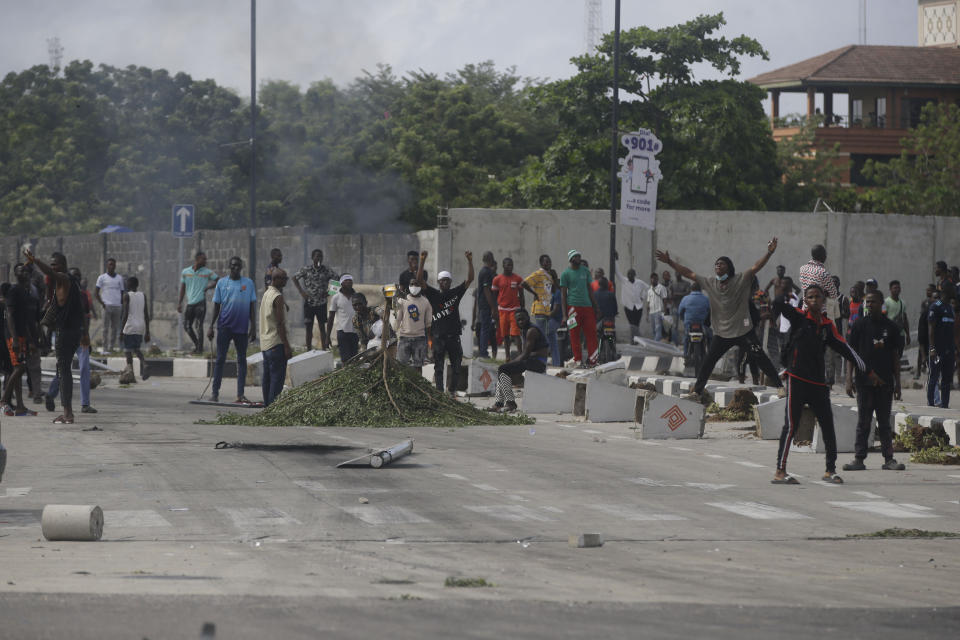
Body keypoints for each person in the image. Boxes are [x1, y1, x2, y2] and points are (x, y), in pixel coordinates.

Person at [770, 282, 877, 485]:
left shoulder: (827, 326)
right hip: (797, 380)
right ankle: (780, 471)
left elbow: (846, 349)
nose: (814, 300)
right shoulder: (798, 317)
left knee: (828, 426)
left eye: (817, 297)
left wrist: (868, 370)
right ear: (805, 301)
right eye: (809, 297)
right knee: (791, 425)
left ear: (824, 301)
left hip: (818, 384)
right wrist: (783, 292)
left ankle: (830, 470)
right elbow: (776, 305)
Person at [656, 238, 785, 399]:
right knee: (708, 362)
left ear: (729, 268)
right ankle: (697, 391)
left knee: (761, 357)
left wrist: (769, 253)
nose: (718, 265)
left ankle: (780, 387)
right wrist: (670, 262)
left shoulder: (741, 278)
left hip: (743, 331)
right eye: (716, 264)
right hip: (722, 333)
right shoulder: (710, 282)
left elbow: (756, 267)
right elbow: (689, 273)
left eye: (722, 263)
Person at [843, 291, 905, 472]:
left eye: (873, 302)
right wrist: (849, 379)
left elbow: (895, 357)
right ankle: (859, 459)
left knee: (884, 423)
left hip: (885, 383)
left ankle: (889, 459)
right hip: (864, 382)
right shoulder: (859, 325)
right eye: (867, 302)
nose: (869, 305)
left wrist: (898, 383)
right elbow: (851, 354)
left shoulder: (890, 327)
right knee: (864, 421)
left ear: (881, 303)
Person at [24, 249, 87, 424]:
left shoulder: (65, 279)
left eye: (55, 264)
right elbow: (65, 309)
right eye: (51, 264)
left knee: (63, 371)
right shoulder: (68, 283)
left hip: (66, 333)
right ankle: (67, 412)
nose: (53, 267)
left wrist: (35, 260)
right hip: (71, 331)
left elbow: (50, 273)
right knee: (63, 370)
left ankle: (68, 414)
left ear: (63, 265)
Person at [417, 250, 474, 395]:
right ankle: (439, 393)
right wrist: (422, 260)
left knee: (456, 367)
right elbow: (419, 281)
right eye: (442, 280)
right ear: (438, 282)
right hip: (438, 337)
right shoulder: (433, 294)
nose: (445, 282)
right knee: (439, 367)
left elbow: (470, 279)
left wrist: (469, 261)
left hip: (454, 336)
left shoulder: (456, 293)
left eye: (447, 280)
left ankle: (452, 391)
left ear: (450, 282)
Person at [45, 267, 97, 415]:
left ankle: (85, 404)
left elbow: (85, 316)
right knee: (63, 369)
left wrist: (86, 336)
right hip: (66, 336)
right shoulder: (61, 295)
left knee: (84, 368)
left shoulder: (83, 296)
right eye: (74, 277)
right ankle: (51, 394)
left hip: (80, 337)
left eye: (78, 277)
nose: (76, 280)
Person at [207, 256, 257, 404]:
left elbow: (252, 307)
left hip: (241, 329)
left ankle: (240, 394)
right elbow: (216, 306)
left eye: (238, 266)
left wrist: (253, 327)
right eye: (233, 266)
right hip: (224, 327)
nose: (235, 268)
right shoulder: (222, 283)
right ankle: (215, 393)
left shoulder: (248, 283)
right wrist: (211, 325)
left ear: (241, 268)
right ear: (229, 266)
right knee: (220, 359)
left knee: (241, 360)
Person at [487, 309, 550, 413]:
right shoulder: (525, 330)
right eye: (518, 320)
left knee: (503, 368)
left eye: (523, 319)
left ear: (528, 318)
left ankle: (510, 403)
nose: (521, 321)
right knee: (503, 371)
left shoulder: (531, 331)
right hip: (532, 360)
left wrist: (510, 363)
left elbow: (525, 354)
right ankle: (499, 403)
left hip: (538, 363)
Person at [1, 264, 39, 416]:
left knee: (17, 369)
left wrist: (30, 340)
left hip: (22, 336)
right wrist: (15, 338)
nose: (25, 272)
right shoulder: (14, 290)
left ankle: (21, 406)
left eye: (26, 270)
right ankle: (4, 400)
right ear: (16, 274)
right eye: (21, 270)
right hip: (13, 336)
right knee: (19, 368)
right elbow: (9, 315)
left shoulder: (25, 292)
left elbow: (25, 319)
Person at [292, 249, 338, 351]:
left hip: (321, 303)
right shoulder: (306, 269)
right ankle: (308, 349)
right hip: (309, 303)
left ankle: (324, 349)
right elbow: (294, 278)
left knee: (322, 327)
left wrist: (329, 292)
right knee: (309, 327)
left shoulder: (326, 270)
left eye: (320, 256)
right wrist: (301, 292)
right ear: (312, 258)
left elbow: (337, 279)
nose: (319, 258)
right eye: (317, 256)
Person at [560, 250, 599, 368]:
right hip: (572, 308)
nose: (579, 258)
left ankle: (593, 361)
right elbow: (563, 295)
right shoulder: (565, 274)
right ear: (571, 259)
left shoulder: (585, 271)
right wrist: (564, 314)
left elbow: (590, 290)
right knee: (574, 334)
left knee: (592, 334)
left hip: (587, 307)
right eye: (576, 256)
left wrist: (596, 306)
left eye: (579, 256)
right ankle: (577, 360)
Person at [259, 268, 291, 407]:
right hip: (276, 343)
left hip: (265, 343)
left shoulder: (267, 293)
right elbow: (279, 323)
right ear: (276, 279)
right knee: (276, 380)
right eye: (284, 279)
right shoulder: (278, 296)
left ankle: (267, 406)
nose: (285, 282)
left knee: (267, 378)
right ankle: (272, 408)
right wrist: (286, 345)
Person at [177, 252, 218, 353]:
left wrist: (208, 287)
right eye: (203, 259)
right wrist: (180, 303)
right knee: (187, 326)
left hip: (200, 303)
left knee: (199, 326)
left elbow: (218, 280)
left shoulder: (207, 272)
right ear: (197, 259)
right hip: (190, 303)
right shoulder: (185, 272)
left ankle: (199, 350)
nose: (205, 261)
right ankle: (197, 345)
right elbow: (183, 287)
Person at [394, 279, 432, 371]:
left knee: (418, 367)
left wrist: (429, 341)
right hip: (404, 338)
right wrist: (394, 334)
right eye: (412, 284)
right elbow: (398, 319)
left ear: (420, 286)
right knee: (401, 366)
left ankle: (418, 385)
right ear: (409, 286)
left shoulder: (426, 302)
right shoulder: (402, 300)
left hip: (420, 339)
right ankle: (403, 385)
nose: (414, 286)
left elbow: (428, 323)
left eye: (416, 284)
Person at [927, 290, 956, 408]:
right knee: (934, 376)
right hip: (937, 350)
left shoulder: (950, 308)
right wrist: (932, 348)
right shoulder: (936, 307)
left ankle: (945, 404)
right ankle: (931, 403)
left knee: (947, 378)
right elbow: (931, 329)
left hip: (949, 350)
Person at [492, 257, 524, 360]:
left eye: (511, 264)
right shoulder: (497, 279)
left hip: (515, 311)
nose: (510, 267)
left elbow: (522, 295)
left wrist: (523, 309)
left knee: (516, 334)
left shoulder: (518, 279)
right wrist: (494, 310)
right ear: (503, 265)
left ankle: (521, 356)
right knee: (505, 335)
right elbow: (494, 296)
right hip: (502, 310)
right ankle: (507, 357)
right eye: (508, 265)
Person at [120, 276, 151, 381]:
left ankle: (130, 374)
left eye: (127, 283)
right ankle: (144, 363)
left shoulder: (126, 296)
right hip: (140, 326)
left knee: (128, 352)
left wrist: (121, 331)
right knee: (136, 349)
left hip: (129, 326)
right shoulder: (143, 295)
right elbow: (146, 314)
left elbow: (125, 314)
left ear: (129, 285)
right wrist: (147, 332)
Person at [523, 254, 555, 353]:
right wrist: (534, 293)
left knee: (547, 334)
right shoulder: (538, 274)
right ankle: (540, 355)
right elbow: (524, 283)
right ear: (541, 263)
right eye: (546, 261)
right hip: (540, 309)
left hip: (547, 309)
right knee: (542, 335)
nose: (548, 263)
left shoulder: (549, 275)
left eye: (549, 261)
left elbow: (552, 290)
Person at [614, 257, 650, 342]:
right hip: (628, 306)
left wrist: (642, 296)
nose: (629, 276)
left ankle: (636, 339)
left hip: (638, 306)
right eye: (628, 274)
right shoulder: (624, 281)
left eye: (631, 274)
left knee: (636, 324)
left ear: (634, 275)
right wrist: (615, 260)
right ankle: (634, 339)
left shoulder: (639, 282)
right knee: (632, 324)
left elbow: (647, 288)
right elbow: (617, 272)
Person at [326, 274, 359, 364]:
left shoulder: (357, 296)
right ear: (341, 283)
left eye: (350, 280)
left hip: (355, 332)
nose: (348, 282)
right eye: (346, 280)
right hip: (342, 332)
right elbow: (331, 317)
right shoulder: (336, 297)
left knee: (355, 358)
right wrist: (327, 336)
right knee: (345, 359)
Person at [95, 257, 124, 352]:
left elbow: (122, 292)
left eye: (113, 264)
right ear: (107, 266)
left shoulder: (120, 278)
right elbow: (96, 293)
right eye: (110, 264)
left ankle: (111, 347)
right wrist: (102, 303)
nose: (112, 266)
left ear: (115, 266)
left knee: (115, 328)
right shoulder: (102, 278)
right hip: (106, 305)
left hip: (117, 306)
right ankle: (105, 347)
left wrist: (121, 304)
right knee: (105, 328)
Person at [825, 275, 848, 386]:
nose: (833, 284)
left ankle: (839, 378)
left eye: (835, 282)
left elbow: (845, 315)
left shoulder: (843, 298)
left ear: (838, 284)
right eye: (832, 282)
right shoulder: (826, 298)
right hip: (828, 331)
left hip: (837, 331)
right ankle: (830, 380)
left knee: (838, 356)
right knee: (828, 357)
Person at [677, 281, 710, 359]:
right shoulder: (706, 299)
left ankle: (685, 354)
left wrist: (683, 318)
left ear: (691, 289)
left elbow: (680, 311)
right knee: (709, 336)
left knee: (686, 337)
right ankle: (710, 354)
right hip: (702, 323)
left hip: (689, 323)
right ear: (701, 290)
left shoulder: (685, 298)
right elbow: (710, 311)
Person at [475, 251, 497, 359]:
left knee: (485, 328)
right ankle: (483, 353)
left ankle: (483, 351)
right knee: (485, 328)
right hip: (486, 305)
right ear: (491, 259)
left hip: (483, 304)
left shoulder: (483, 271)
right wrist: (493, 307)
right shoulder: (487, 272)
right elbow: (487, 290)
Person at [914, 284, 936, 380]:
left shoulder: (936, 303)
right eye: (927, 290)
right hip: (925, 328)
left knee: (933, 350)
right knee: (921, 351)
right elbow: (923, 314)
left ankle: (933, 371)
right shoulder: (925, 303)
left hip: (933, 330)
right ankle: (918, 371)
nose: (928, 292)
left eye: (929, 290)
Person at [884, 280, 910, 354]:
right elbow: (883, 318)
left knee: (899, 354)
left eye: (898, 288)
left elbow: (905, 319)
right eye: (895, 288)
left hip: (900, 334)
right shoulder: (886, 302)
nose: (897, 289)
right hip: (890, 334)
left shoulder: (903, 302)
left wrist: (907, 334)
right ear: (890, 289)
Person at [546, 270, 564, 366]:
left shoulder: (557, 293)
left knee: (543, 337)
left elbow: (556, 309)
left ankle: (543, 360)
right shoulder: (547, 290)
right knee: (553, 343)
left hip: (555, 320)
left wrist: (545, 315)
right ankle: (556, 364)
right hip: (548, 318)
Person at [645, 272, 669, 342]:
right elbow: (648, 302)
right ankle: (658, 343)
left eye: (655, 279)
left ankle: (655, 343)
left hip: (659, 311)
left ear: (657, 279)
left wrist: (664, 312)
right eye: (652, 279)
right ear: (650, 279)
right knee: (654, 330)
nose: (653, 280)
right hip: (652, 312)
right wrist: (647, 314)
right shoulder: (649, 290)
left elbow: (665, 300)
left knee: (658, 329)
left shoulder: (662, 288)